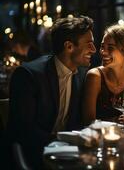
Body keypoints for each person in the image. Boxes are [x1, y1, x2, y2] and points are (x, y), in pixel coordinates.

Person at [5, 15, 96, 169]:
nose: (93, 50)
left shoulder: (82, 74)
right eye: (89, 44)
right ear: (69, 47)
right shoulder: (28, 75)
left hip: (69, 154)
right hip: (31, 155)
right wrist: (64, 140)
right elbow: (23, 130)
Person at [83, 24, 124, 126]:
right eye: (102, 46)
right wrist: (114, 122)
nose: (103, 52)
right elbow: (87, 121)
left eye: (110, 48)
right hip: (101, 139)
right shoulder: (95, 76)